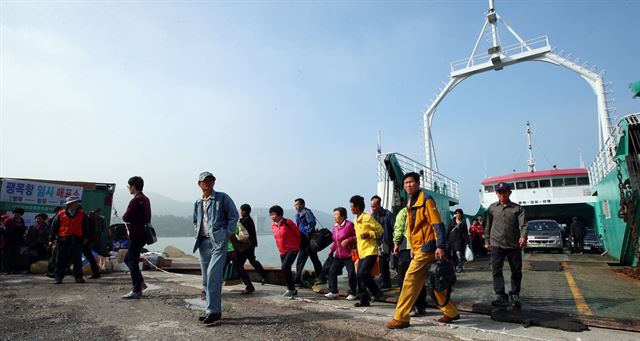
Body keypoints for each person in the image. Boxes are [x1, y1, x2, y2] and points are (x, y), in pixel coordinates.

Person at [386, 172, 460, 329]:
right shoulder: (410, 202)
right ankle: (451, 312)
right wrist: (412, 247)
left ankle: (401, 317)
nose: (408, 185)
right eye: (406, 183)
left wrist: (441, 246)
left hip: (427, 247)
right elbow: (412, 229)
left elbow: (437, 224)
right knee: (436, 280)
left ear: (418, 183)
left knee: (410, 280)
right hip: (419, 248)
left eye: (411, 182)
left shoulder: (426, 200)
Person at [191, 172, 238, 324]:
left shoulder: (222, 198)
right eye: (205, 181)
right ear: (199, 184)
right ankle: (210, 311)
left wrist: (227, 233)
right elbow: (195, 220)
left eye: (210, 180)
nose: (208, 183)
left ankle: (213, 312)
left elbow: (234, 216)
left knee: (213, 276)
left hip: (218, 243)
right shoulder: (198, 203)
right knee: (206, 279)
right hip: (203, 243)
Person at [484, 182, 527, 308]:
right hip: (496, 244)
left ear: (510, 193)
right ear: (497, 193)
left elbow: (523, 225)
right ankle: (501, 295)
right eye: (499, 192)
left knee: (516, 271)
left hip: (513, 245)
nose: (502, 195)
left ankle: (515, 294)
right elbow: (488, 226)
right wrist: (487, 241)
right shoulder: (492, 208)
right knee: (496, 270)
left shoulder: (518, 209)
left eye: (504, 192)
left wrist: (523, 236)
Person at [393, 207, 428, 317]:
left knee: (404, 279)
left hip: (406, 247)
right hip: (421, 248)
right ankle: (421, 305)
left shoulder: (404, 211)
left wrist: (396, 243)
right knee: (419, 277)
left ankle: (408, 307)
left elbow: (399, 228)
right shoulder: (424, 210)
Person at [350, 195, 384, 308]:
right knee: (359, 276)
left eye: (352, 206)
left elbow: (380, 231)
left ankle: (376, 292)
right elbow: (358, 237)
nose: (351, 208)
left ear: (357, 207)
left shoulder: (368, 218)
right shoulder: (355, 221)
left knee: (362, 273)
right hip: (361, 252)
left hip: (371, 251)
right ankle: (364, 300)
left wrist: (369, 234)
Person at [121, 176, 152, 299]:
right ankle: (140, 283)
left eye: (129, 186)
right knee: (129, 259)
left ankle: (137, 289)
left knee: (131, 260)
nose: (129, 189)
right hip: (143, 234)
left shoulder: (135, 200)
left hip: (136, 234)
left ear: (133, 186)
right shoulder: (146, 199)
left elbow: (125, 217)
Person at [49, 197, 90, 284]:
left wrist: (86, 237)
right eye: (74, 203)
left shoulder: (82, 214)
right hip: (63, 239)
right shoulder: (61, 214)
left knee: (77, 259)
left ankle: (78, 277)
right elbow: (54, 227)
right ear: (69, 204)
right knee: (60, 259)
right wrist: (51, 239)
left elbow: (86, 227)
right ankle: (58, 278)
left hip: (77, 239)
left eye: (77, 203)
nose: (77, 204)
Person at [325, 207, 357, 300]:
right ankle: (333, 292)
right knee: (332, 271)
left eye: (336, 215)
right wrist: (331, 250)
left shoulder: (349, 225)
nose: (334, 217)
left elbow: (357, 236)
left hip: (349, 254)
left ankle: (353, 293)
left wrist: (348, 240)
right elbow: (336, 241)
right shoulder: (335, 226)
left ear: (343, 216)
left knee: (351, 274)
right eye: (334, 215)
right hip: (339, 255)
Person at [270, 205, 300, 298]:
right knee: (286, 270)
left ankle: (290, 289)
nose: (272, 216)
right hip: (282, 251)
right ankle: (293, 290)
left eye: (273, 214)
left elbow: (297, 234)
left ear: (279, 215)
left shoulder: (288, 222)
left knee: (284, 268)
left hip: (292, 249)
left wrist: (297, 245)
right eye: (270, 214)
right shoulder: (273, 225)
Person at [293, 198, 324, 286]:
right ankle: (321, 277)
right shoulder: (297, 215)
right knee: (310, 259)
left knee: (305, 259)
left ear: (302, 204)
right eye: (295, 205)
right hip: (303, 239)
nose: (296, 206)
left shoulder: (307, 212)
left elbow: (312, 223)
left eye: (297, 204)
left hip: (308, 239)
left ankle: (298, 280)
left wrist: (303, 231)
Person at [236, 204, 267, 287]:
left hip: (247, 245)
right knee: (252, 260)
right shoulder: (248, 219)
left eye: (241, 211)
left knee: (239, 263)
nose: (240, 212)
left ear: (244, 211)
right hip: (250, 244)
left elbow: (237, 229)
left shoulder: (245, 220)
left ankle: (243, 280)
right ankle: (263, 276)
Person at [370, 195, 395, 289]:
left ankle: (386, 282)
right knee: (382, 262)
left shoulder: (388, 215)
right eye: (371, 206)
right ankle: (385, 281)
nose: (373, 208)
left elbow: (394, 228)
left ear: (380, 205)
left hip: (387, 242)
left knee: (386, 262)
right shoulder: (372, 216)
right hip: (377, 242)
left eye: (374, 206)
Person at [3, 208, 27, 274]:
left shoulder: (22, 221)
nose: (17, 215)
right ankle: (7, 270)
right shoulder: (9, 220)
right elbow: (4, 230)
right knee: (8, 256)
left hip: (18, 241)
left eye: (18, 214)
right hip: (8, 241)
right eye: (15, 213)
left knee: (16, 256)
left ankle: (15, 270)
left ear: (21, 215)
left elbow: (23, 231)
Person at [446, 208, 469, 273]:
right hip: (452, 240)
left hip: (459, 240)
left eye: (459, 213)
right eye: (456, 213)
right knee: (453, 255)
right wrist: (446, 239)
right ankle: (455, 267)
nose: (457, 214)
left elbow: (465, 233)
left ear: (461, 215)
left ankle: (460, 266)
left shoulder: (463, 223)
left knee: (458, 253)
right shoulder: (452, 221)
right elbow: (448, 231)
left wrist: (467, 242)